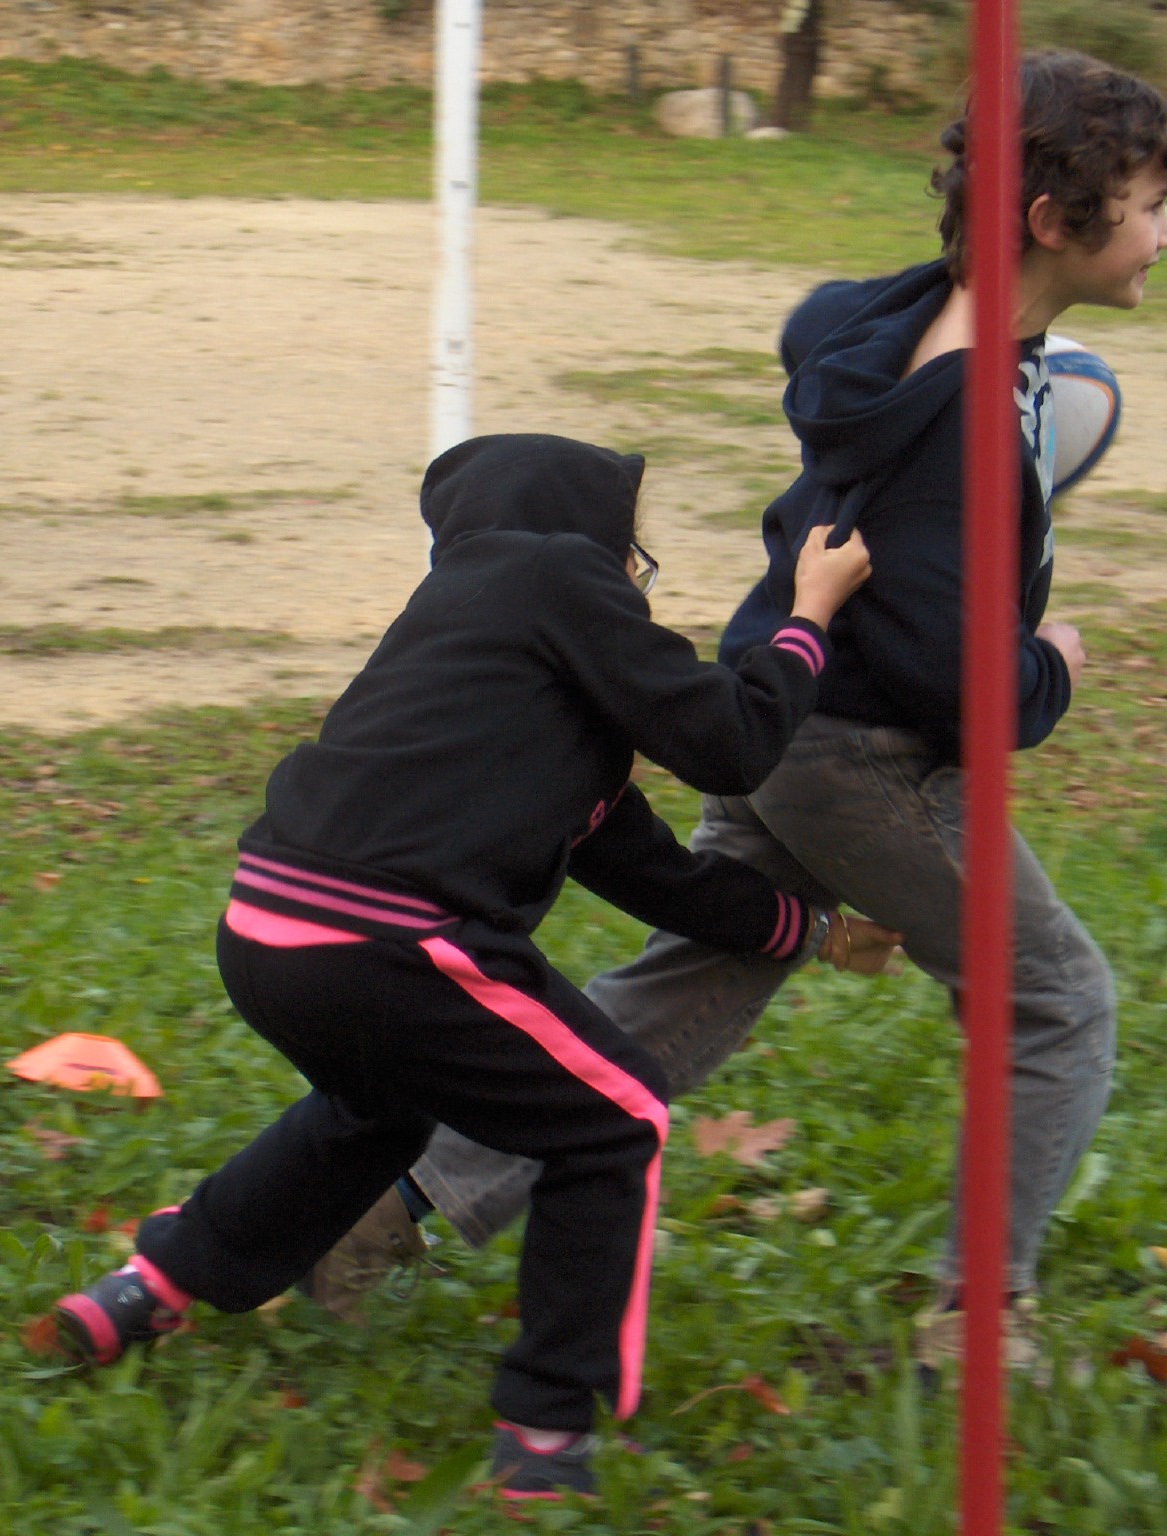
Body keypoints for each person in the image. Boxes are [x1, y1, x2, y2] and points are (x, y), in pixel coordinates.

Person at [311, 49, 1167, 1370]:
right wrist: (1050, 658)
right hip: (864, 759)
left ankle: (395, 1198)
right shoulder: (965, 437)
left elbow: (815, 321)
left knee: (702, 976)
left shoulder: (911, 324)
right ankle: (976, 1324)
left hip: (775, 710)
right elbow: (965, 681)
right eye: (1152, 204)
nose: (1164, 232)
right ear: (1056, 222)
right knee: (1056, 995)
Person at [43, 433, 889, 1500]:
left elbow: (650, 873)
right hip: (386, 934)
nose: (633, 577)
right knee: (616, 1116)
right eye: (632, 550)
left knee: (373, 1111)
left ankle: (147, 1286)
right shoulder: (551, 573)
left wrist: (805, 932)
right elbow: (729, 742)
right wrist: (806, 616)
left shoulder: (497, 670)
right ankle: (544, 1435)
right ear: (579, 534)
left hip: (266, 928)